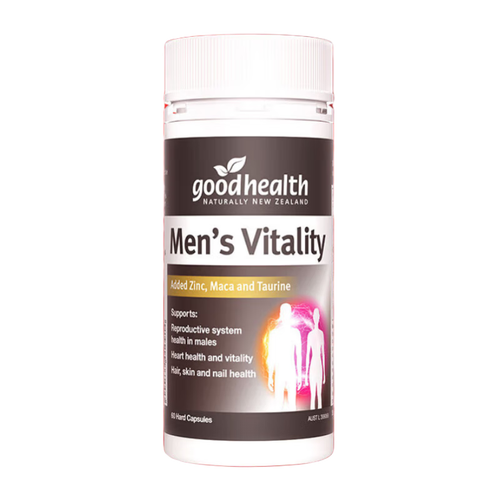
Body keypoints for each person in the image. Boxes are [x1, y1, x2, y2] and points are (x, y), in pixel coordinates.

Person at [267, 303, 302, 410]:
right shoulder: (274, 334)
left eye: (287, 312)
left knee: (292, 404)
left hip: (290, 372)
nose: (285, 315)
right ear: (281, 315)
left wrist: (299, 375)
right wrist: (270, 375)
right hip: (280, 372)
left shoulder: (295, 333)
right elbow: (272, 355)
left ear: (290, 314)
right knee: (279, 403)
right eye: (284, 313)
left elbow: (299, 355)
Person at [305, 308, 325, 409]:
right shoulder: (310, 335)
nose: (316, 318)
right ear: (313, 317)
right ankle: (311, 413)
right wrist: (306, 376)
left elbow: (323, 354)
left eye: (317, 316)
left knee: (319, 395)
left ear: (319, 317)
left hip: (319, 366)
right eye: (315, 316)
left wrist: (324, 374)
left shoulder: (321, 334)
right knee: (313, 395)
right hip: (313, 365)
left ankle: (319, 413)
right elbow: (307, 355)